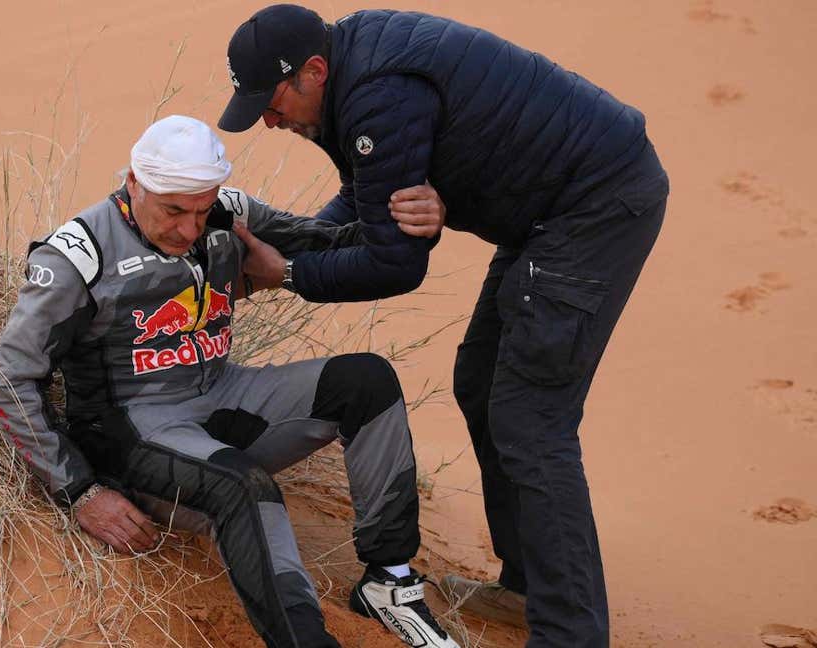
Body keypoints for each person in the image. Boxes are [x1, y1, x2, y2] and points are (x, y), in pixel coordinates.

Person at [218, 5, 670, 648]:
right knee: (483, 383)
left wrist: (286, 271)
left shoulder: (375, 96)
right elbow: (369, 199)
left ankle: (571, 634)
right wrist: (319, 238)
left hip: (592, 207)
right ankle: (526, 588)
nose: (267, 117)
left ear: (313, 71)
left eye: (272, 99)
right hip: (548, 209)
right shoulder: (345, 69)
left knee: (530, 418)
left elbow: (395, 263)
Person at [0, 115, 459, 648]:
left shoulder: (228, 213)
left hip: (221, 395)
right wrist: (80, 491)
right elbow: (9, 381)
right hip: (134, 432)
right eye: (173, 210)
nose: (190, 229)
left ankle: (388, 581)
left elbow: (324, 240)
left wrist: (410, 222)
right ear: (135, 182)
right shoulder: (78, 257)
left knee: (366, 381)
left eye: (201, 210)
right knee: (244, 486)